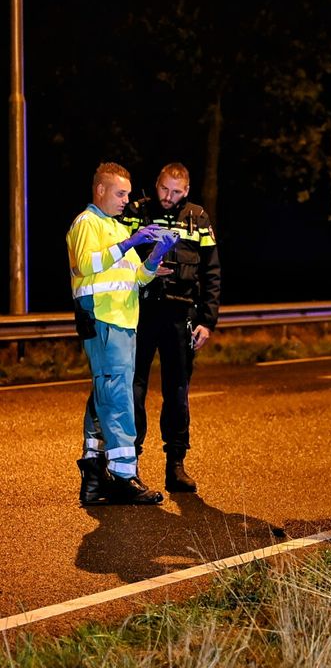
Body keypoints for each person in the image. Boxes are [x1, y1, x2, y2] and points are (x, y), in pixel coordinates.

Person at [67, 162, 178, 505]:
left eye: (128, 193)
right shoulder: (87, 223)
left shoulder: (114, 227)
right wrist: (133, 240)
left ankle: (95, 476)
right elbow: (85, 265)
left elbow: (135, 279)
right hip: (104, 320)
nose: (127, 200)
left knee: (105, 396)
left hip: (122, 322)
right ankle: (124, 476)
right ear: (99, 190)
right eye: (120, 193)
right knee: (117, 400)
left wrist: (156, 255)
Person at [120, 163, 221, 493]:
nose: (169, 197)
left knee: (177, 391)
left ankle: (175, 465)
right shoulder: (137, 212)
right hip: (142, 311)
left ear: (187, 191)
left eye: (176, 191)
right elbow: (116, 253)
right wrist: (144, 266)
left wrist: (207, 320)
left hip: (182, 316)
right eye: (164, 189)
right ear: (157, 183)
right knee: (134, 388)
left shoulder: (199, 218)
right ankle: (130, 463)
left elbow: (212, 274)